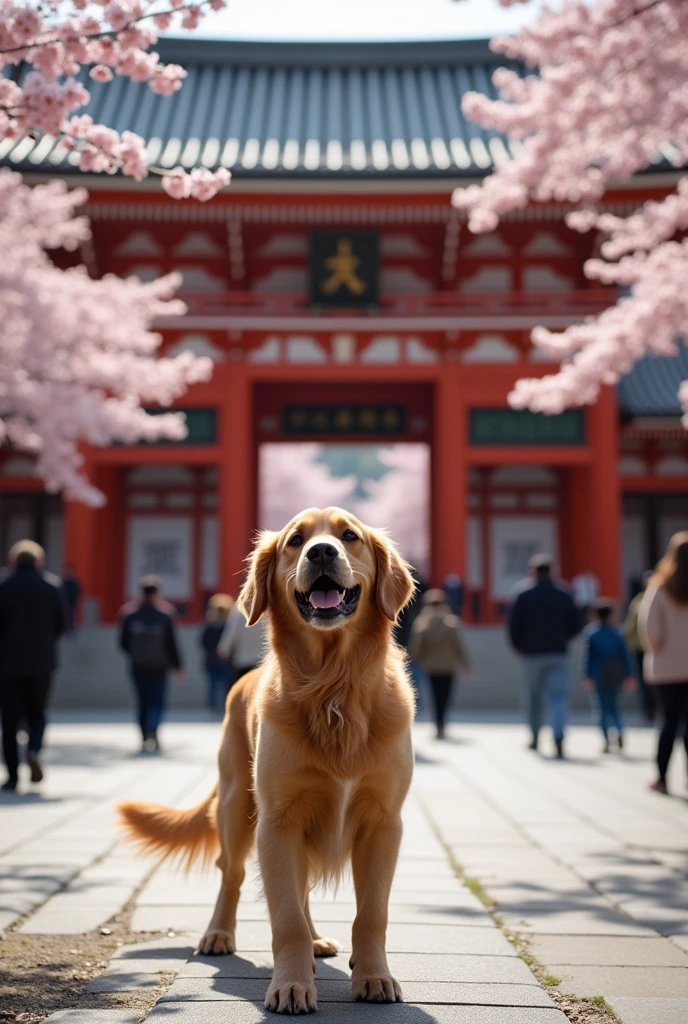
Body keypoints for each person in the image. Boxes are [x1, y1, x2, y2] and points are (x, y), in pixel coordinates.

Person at [0, 540, 67, 791]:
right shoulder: (52, 587)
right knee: (37, 712)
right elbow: (62, 625)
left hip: (7, 664)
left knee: (9, 720)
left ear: (13, 561)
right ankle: (34, 749)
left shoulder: (4, 586)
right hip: (41, 662)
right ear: (38, 561)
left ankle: (12, 775)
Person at [508, 554, 581, 759]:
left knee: (532, 696)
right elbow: (576, 625)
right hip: (558, 652)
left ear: (532, 572)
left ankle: (534, 735)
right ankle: (558, 735)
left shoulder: (523, 594)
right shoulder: (564, 593)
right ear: (553, 571)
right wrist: (562, 638)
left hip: (531, 654)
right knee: (558, 697)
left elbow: (514, 625)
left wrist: (517, 646)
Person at [638, 531, 688, 795]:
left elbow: (650, 633)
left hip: (666, 668)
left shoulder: (659, 589)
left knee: (667, 722)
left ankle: (662, 778)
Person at [119, 575, 183, 753]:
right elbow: (172, 643)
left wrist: (135, 654)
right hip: (159, 665)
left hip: (137, 665)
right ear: (157, 593)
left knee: (142, 700)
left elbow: (123, 643)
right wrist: (178, 665)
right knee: (157, 700)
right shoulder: (164, 614)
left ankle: (143, 735)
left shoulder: (129, 614)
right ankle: (153, 729)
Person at [408, 588, 472, 739]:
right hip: (448, 666)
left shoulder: (422, 623)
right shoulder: (452, 623)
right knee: (445, 695)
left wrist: (411, 660)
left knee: (435, 695)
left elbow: (416, 647)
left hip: (430, 666)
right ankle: (443, 722)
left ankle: (437, 723)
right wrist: (465, 664)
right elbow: (458, 646)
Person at [583, 600, 635, 753]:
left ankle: (606, 740)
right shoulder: (617, 633)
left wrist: (587, 675)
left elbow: (588, 657)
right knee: (614, 707)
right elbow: (625, 656)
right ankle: (619, 729)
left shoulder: (592, 633)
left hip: (598, 675)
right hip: (615, 675)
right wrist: (629, 675)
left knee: (601, 709)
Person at [624, 571, 656, 723]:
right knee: (647, 682)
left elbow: (629, 628)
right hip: (643, 649)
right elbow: (630, 627)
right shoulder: (639, 601)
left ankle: (651, 710)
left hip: (650, 649)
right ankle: (650, 710)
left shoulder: (639, 601)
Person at [200, 593, 234, 714]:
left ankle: (212, 708)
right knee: (226, 685)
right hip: (226, 661)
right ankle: (225, 706)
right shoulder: (229, 625)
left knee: (212, 686)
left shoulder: (209, 624)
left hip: (211, 660)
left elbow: (202, 642)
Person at [217, 602, 266, 680]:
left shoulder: (238, 614)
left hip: (243, 663)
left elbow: (228, 640)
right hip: (264, 663)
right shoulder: (267, 613)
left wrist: (224, 651)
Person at [62, 564, 82, 634]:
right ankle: (66, 628)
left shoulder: (75, 582)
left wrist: (77, 600)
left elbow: (78, 592)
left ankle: (71, 628)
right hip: (64, 601)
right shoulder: (63, 581)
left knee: (71, 615)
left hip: (72, 601)